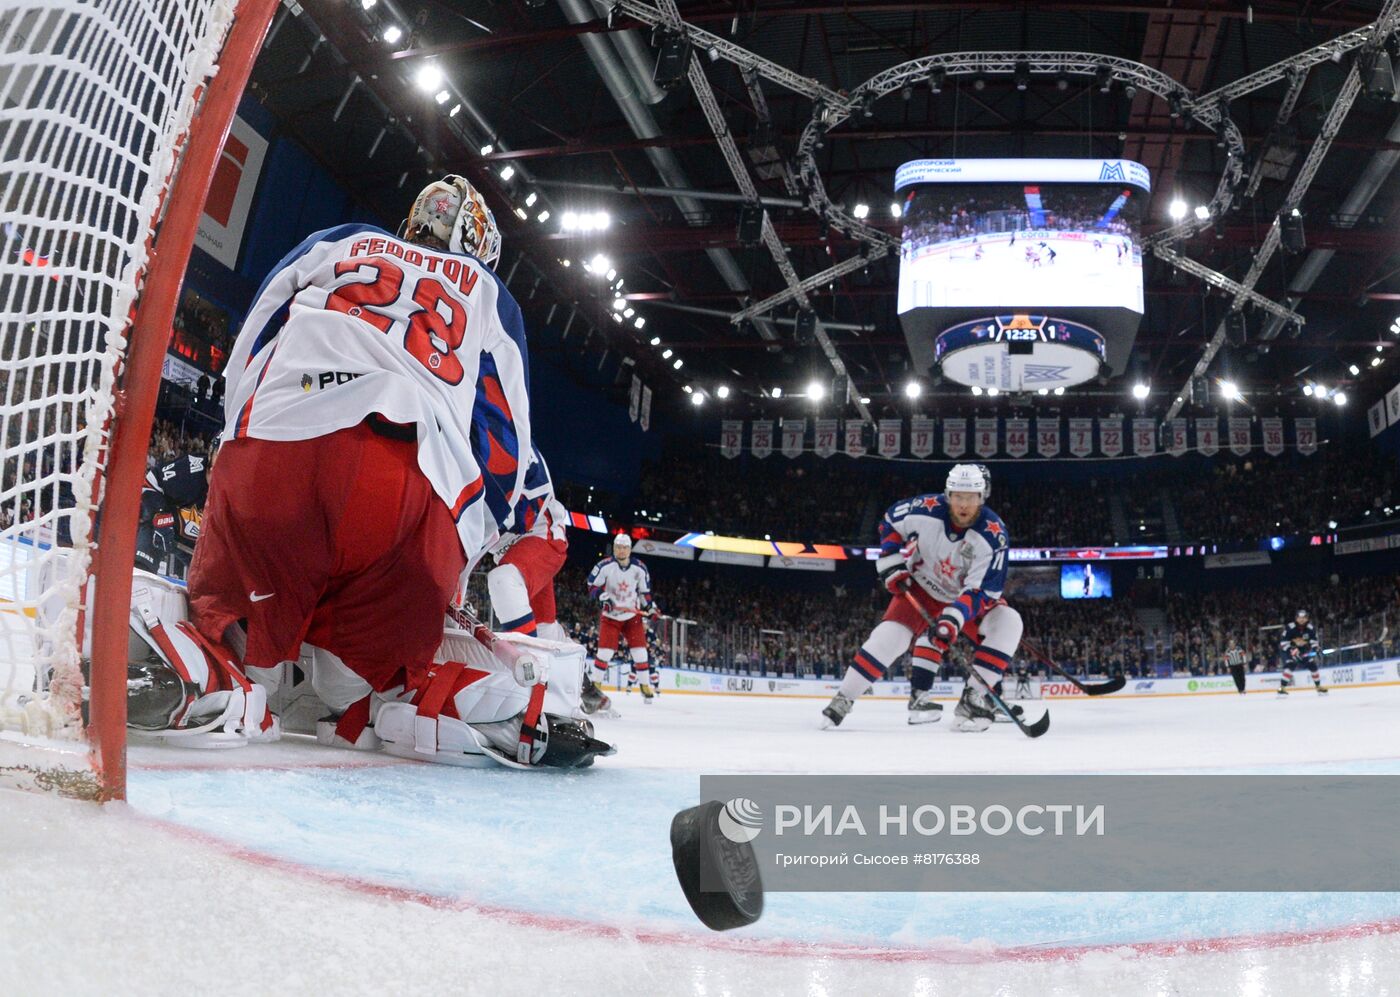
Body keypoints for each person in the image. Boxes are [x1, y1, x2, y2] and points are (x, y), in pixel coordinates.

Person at [182, 174, 609, 766]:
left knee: (249, 650)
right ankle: (424, 709)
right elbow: (506, 448)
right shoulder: (488, 294)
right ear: (481, 248)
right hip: (407, 473)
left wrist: (238, 444)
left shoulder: (337, 239)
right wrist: (458, 549)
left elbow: (253, 337)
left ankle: (213, 676)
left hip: (280, 443)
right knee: (348, 692)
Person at [821, 464, 1023, 732]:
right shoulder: (925, 508)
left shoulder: (993, 535)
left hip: (964, 598)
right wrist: (891, 558)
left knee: (1009, 622)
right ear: (947, 494)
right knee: (890, 637)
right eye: (958, 496)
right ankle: (843, 698)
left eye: (971, 497)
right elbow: (890, 520)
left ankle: (974, 697)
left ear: (982, 496)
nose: (963, 504)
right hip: (921, 588)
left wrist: (953, 617)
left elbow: (982, 591)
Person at [587, 533, 657, 702]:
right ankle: (595, 686)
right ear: (614, 547)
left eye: (624, 547)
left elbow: (644, 593)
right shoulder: (605, 566)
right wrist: (604, 598)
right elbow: (591, 586)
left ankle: (645, 686)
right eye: (618, 547)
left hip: (632, 617)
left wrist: (651, 607)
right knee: (605, 652)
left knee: (640, 653)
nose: (621, 550)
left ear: (630, 549)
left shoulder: (640, 568)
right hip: (611, 616)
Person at [1277, 608, 1326, 696]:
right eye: (1299, 617)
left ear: (1307, 619)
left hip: (1303, 651)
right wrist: (1292, 650)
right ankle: (1282, 688)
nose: (1302, 620)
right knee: (1291, 664)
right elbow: (1283, 643)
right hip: (1288, 650)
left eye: (1304, 618)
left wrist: (1316, 649)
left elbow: (1314, 642)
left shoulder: (1311, 628)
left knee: (1313, 666)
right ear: (1296, 618)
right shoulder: (1290, 627)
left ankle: (1318, 687)